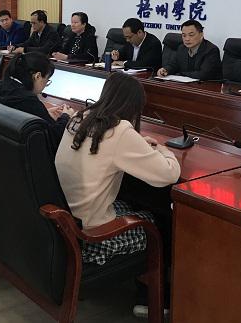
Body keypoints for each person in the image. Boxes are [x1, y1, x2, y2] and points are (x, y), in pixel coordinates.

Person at [55, 73, 180, 316]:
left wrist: (137, 143)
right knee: (159, 222)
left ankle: (142, 289)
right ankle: (152, 299)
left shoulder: (81, 117)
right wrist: (164, 150)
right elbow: (169, 174)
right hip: (92, 236)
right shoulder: (120, 130)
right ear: (133, 105)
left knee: (134, 204)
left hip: (66, 222)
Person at [0, 53, 74, 151]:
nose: (45, 85)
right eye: (47, 80)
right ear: (37, 76)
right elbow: (55, 138)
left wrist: (45, 113)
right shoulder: (28, 101)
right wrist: (66, 117)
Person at [156, 19, 221, 79]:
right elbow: (174, 65)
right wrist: (165, 70)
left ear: (201, 35)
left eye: (191, 35)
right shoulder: (182, 48)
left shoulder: (211, 50)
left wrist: (180, 74)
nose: (187, 39)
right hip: (185, 84)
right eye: (184, 35)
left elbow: (203, 74)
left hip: (206, 85)